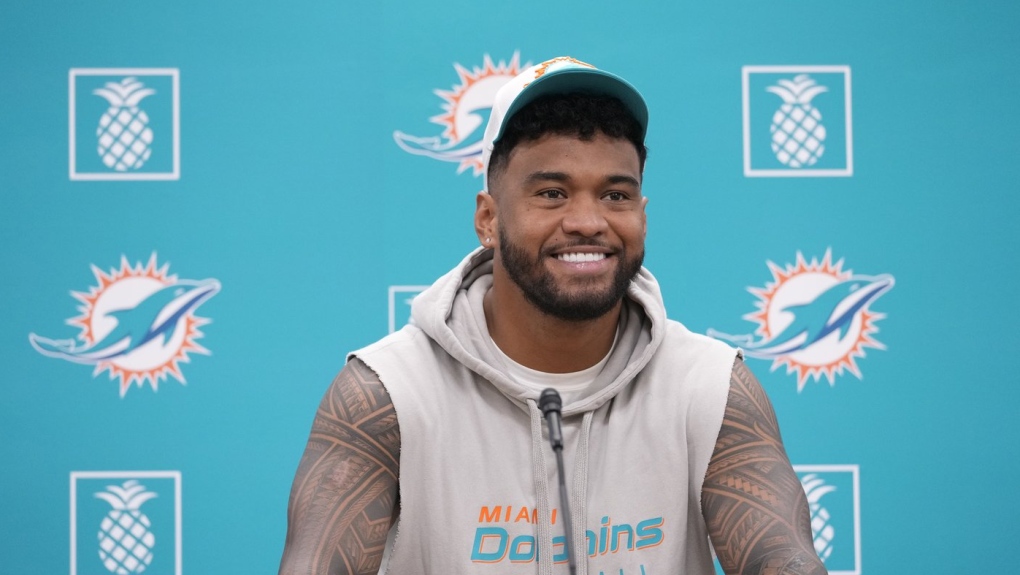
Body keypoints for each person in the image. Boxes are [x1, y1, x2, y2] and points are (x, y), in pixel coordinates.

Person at [279, 56, 826, 575]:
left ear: (642, 215)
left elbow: (784, 557)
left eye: (616, 196)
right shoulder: (387, 393)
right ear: (488, 219)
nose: (588, 221)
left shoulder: (709, 385)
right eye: (552, 193)